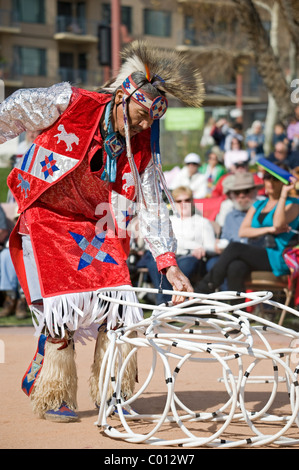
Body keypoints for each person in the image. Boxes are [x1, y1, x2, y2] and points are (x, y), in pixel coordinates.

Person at [0, 40, 204, 422]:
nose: (144, 125)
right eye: (141, 116)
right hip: (47, 214)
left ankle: (114, 390)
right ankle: (55, 391)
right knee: (61, 308)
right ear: (122, 98)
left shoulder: (142, 145)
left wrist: (168, 263)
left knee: (118, 307)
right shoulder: (73, 103)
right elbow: (14, 108)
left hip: (97, 222)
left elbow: (153, 203)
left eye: (150, 121)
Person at [195, 165, 299, 295]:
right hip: (258, 254)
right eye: (267, 177)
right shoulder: (259, 204)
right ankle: (237, 312)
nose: (270, 182)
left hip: (278, 256)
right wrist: (269, 229)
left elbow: (278, 224)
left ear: (284, 182)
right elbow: (243, 232)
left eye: (276, 179)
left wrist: (284, 194)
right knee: (236, 267)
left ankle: (202, 291)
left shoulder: (294, 204)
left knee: (235, 248)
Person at [137, 186, 216, 304]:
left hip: (189, 257)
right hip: (168, 256)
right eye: (179, 201)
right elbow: (154, 244)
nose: (183, 204)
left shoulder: (202, 222)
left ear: (192, 201)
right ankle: (166, 303)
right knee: (155, 263)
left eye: (187, 200)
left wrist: (201, 248)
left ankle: (170, 304)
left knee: (184, 265)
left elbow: (212, 246)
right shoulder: (167, 220)